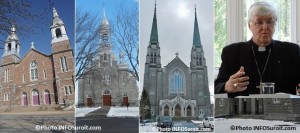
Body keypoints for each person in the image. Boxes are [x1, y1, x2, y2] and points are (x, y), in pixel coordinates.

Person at [215, 2, 300, 98]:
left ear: (275, 24)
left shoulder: (291, 51)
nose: (265, 27)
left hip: (283, 111)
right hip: (242, 112)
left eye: (269, 21)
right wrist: (227, 86)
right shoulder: (231, 52)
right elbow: (217, 86)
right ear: (249, 25)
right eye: (259, 22)